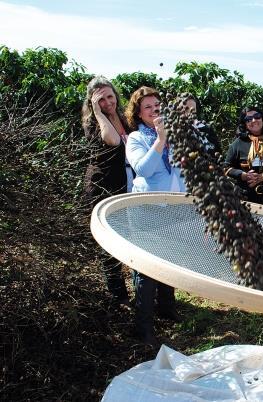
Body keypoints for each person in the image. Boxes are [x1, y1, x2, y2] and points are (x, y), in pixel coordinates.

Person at [125, 86, 185, 347]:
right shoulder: (137, 138)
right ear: (139, 113)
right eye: (147, 106)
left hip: (173, 208)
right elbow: (144, 169)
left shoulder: (177, 135)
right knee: (147, 268)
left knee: (170, 259)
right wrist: (160, 140)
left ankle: (167, 308)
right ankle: (143, 326)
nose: (155, 109)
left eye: (157, 104)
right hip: (146, 208)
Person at [82, 76, 131, 308]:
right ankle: (118, 296)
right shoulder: (92, 123)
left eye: (110, 96)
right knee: (109, 242)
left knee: (126, 237)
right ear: (92, 102)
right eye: (101, 100)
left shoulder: (124, 119)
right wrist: (98, 113)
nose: (108, 103)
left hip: (125, 183)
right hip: (103, 187)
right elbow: (112, 141)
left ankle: (130, 289)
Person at [224, 106, 263, 208]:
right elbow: (226, 168)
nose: (253, 120)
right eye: (248, 119)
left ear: (262, 119)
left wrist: (262, 176)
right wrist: (244, 175)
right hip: (245, 200)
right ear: (244, 124)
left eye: (257, 116)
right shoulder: (238, 143)